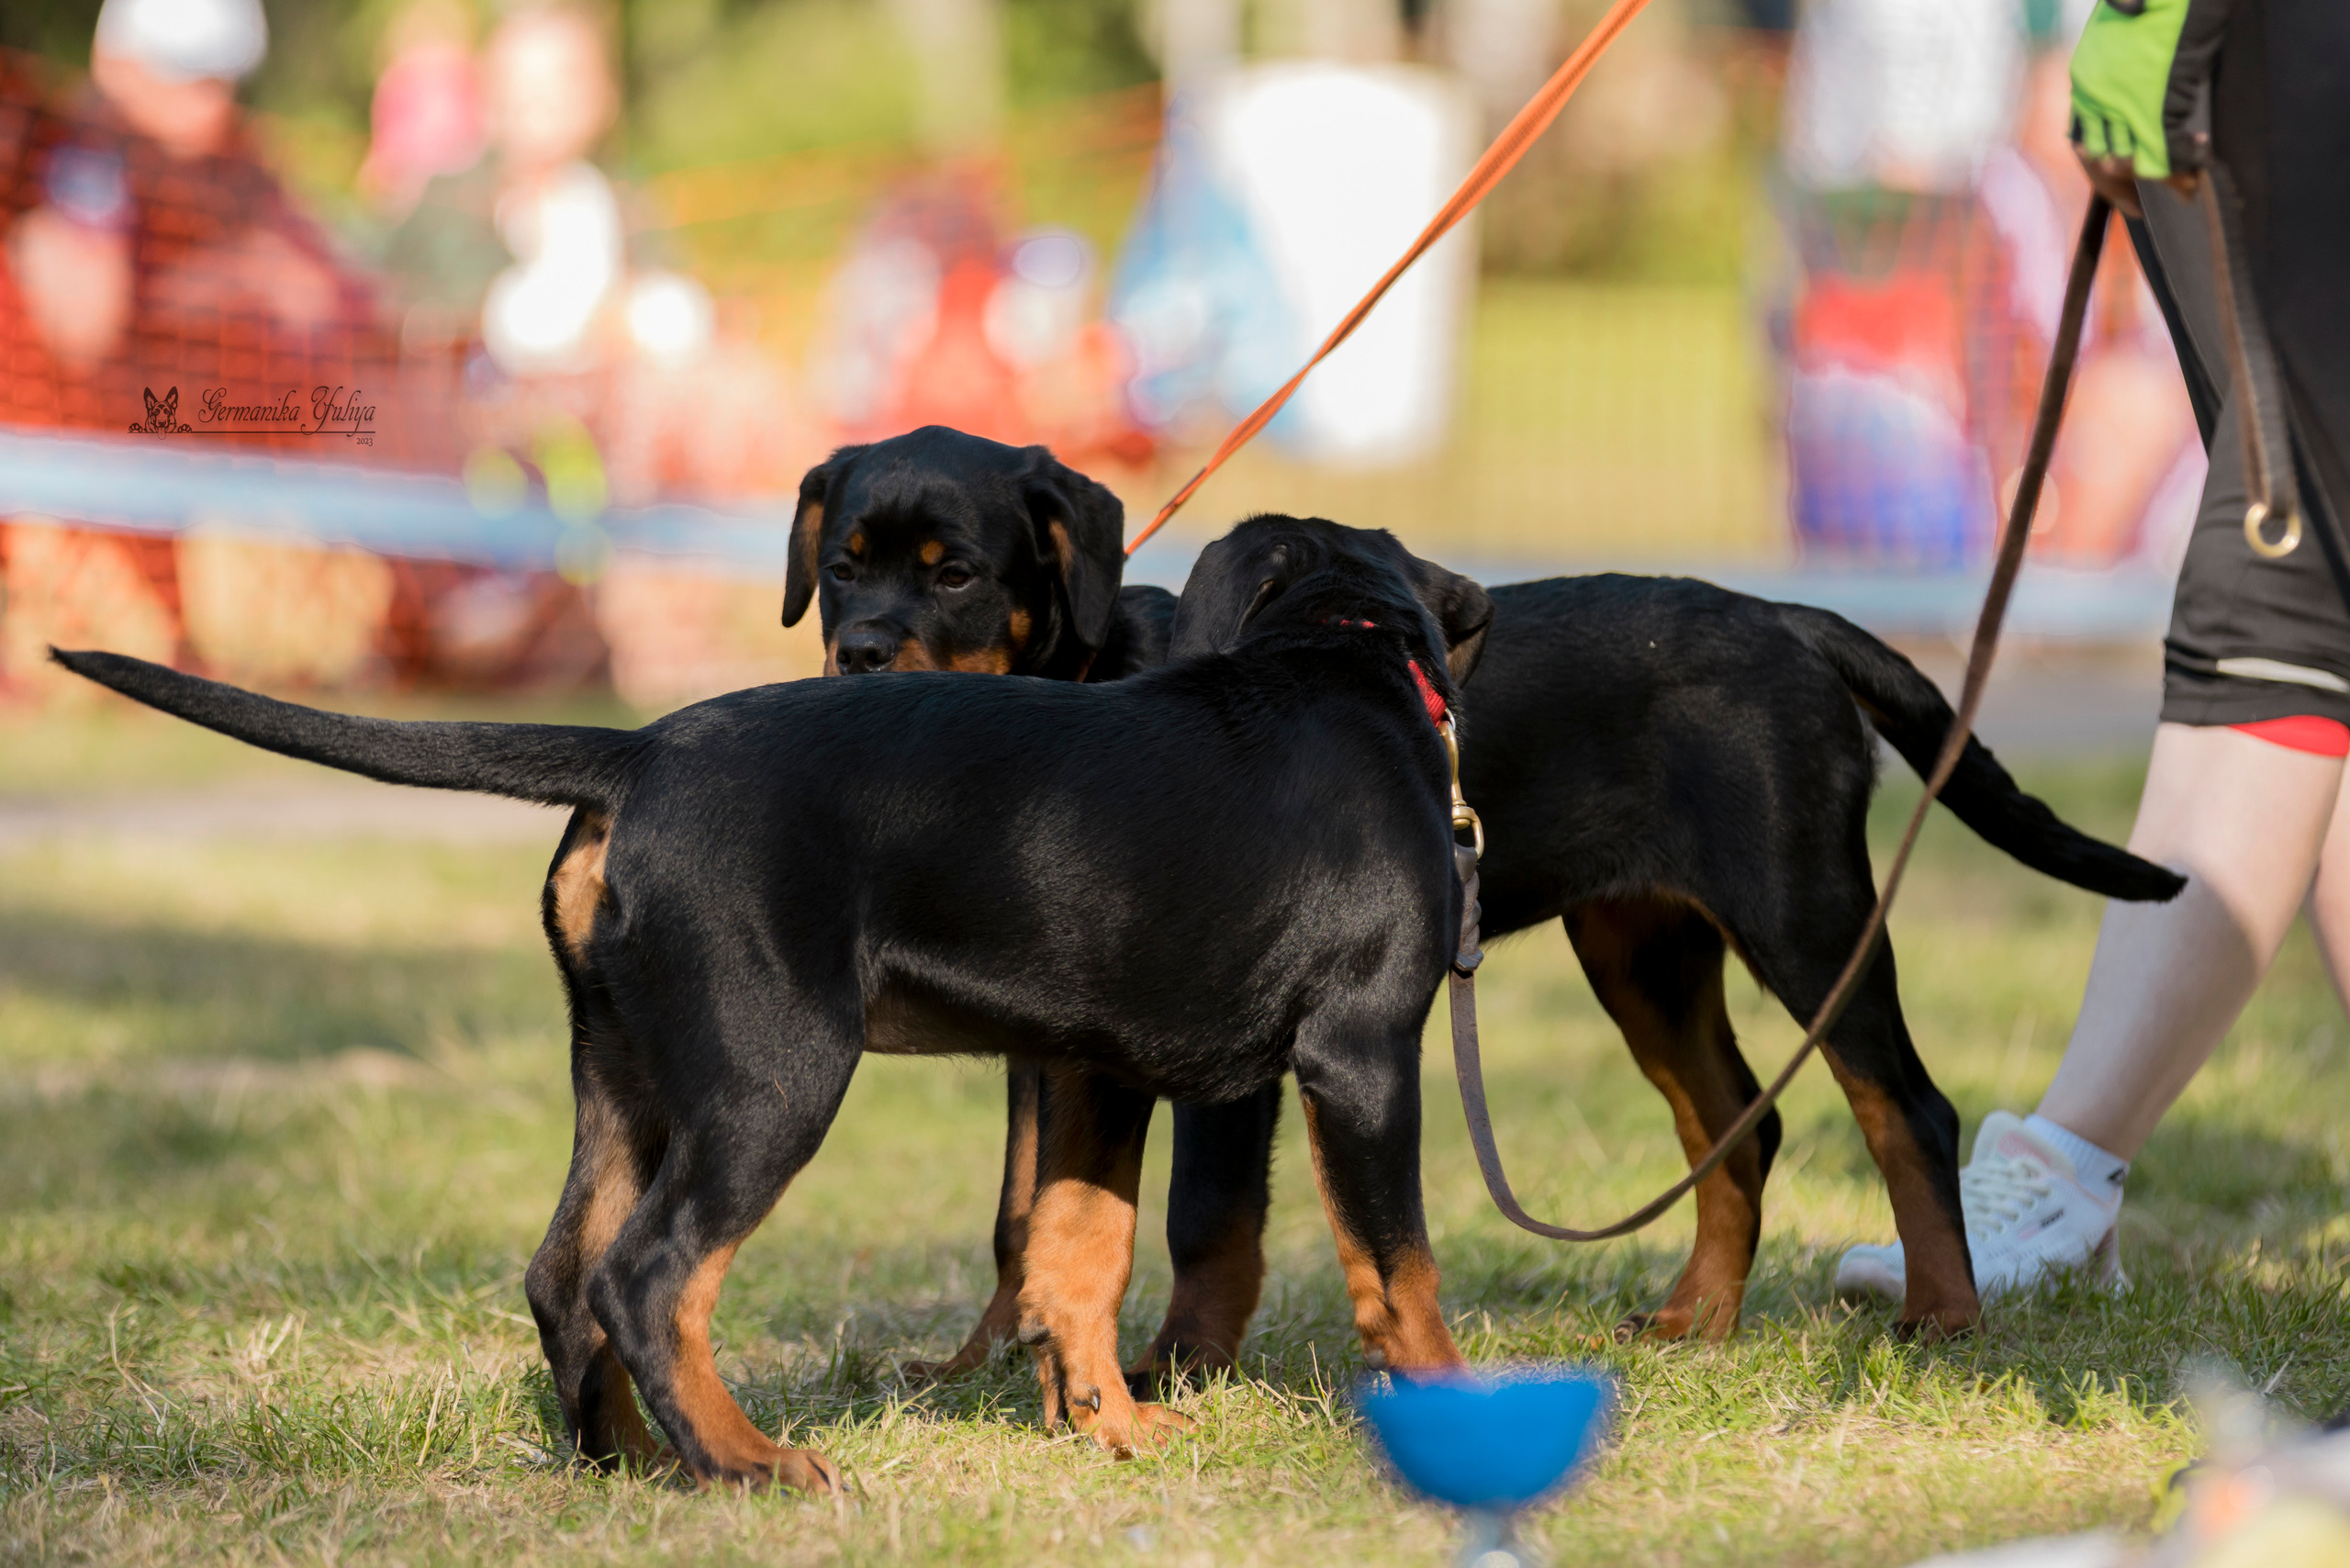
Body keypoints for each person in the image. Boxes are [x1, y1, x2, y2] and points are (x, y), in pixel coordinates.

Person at [1838, 0, 2350, 1301]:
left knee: (2281, 615)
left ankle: (2065, 1169)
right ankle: (2067, 1169)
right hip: (2212, 68)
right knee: (2308, 621)